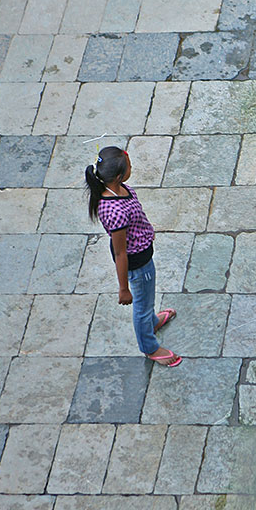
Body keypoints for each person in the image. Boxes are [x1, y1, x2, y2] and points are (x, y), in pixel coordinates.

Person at [85, 146, 181, 367]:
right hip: (136, 262)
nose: (132, 168)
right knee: (142, 304)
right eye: (129, 166)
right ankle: (149, 346)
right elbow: (120, 253)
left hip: (143, 253)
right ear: (119, 176)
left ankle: (152, 322)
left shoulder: (121, 189)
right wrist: (123, 288)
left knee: (147, 298)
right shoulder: (114, 210)